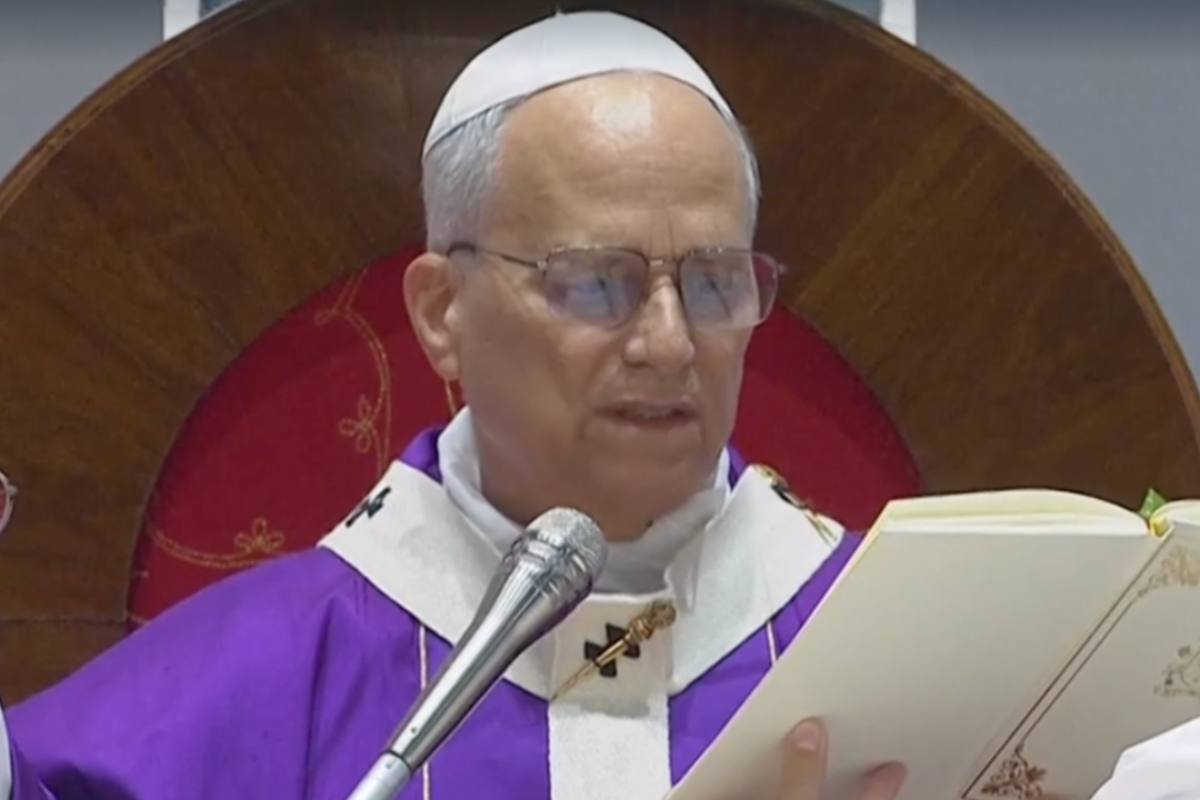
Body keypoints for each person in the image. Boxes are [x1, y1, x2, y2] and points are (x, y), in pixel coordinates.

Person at [0, 10, 904, 800]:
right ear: (442, 312)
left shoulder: (896, 634)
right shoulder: (276, 664)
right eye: (597, 281)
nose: (668, 343)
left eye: (712, 283)